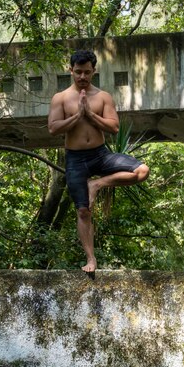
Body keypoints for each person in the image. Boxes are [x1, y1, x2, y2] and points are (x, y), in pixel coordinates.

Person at [48, 49, 149, 274]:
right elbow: (53, 128)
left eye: (87, 72)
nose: (82, 77)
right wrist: (76, 116)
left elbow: (113, 127)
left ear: (94, 71)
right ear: (70, 71)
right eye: (78, 72)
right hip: (75, 159)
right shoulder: (61, 98)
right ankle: (91, 259)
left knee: (142, 171)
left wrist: (91, 115)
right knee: (83, 211)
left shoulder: (103, 97)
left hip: (100, 154)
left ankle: (98, 184)